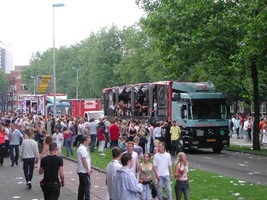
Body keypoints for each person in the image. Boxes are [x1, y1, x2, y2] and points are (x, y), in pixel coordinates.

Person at [77, 135, 92, 200]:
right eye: (88, 141)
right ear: (85, 141)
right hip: (84, 171)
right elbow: (84, 160)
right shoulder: (82, 149)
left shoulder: (81, 148)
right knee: (86, 186)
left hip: (81, 170)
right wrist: (88, 169)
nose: (89, 142)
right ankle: (87, 198)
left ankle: (80, 198)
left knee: (82, 186)